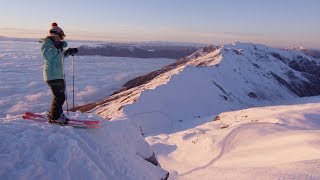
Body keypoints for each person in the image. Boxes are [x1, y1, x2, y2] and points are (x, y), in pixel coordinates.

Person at [40, 22, 78, 124]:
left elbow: (59, 57)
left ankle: (56, 113)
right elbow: (47, 57)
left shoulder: (56, 45)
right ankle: (54, 117)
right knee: (59, 96)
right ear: (55, 34)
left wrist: (68, 52)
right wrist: (56, 47)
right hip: (52, 75)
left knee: (59, 96)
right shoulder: (46, 44)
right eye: (61, 36)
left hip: (58, 74)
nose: (62, 39)